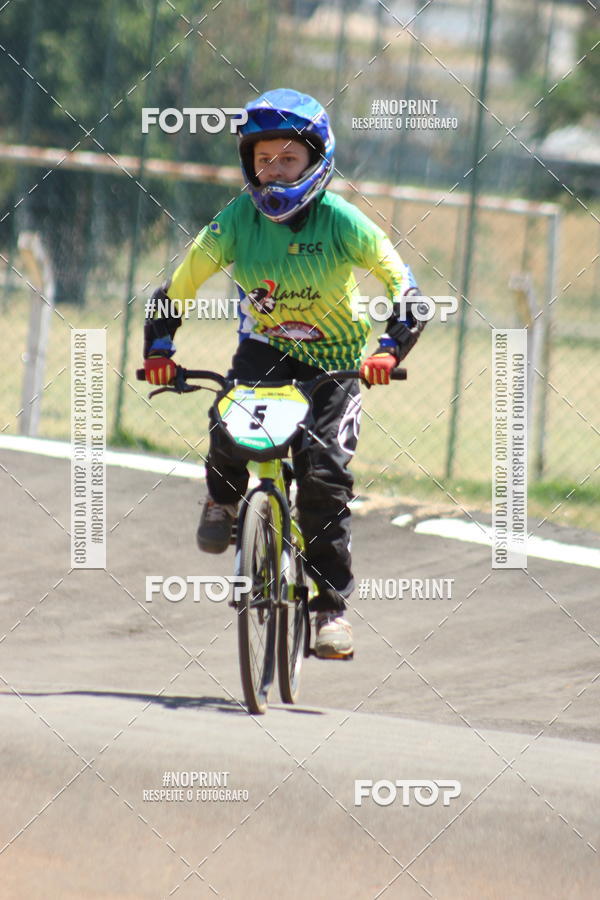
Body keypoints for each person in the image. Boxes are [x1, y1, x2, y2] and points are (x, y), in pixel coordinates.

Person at [143, 88, 425, 659]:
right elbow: (177, 289)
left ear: (317, 160)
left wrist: (390, 351)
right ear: (248, 162)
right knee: (227, 423)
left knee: (322, 483)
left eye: (289, 159)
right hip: (263, 352)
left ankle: (329, 611)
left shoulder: (344, 222)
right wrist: (161, 349)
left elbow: (407, 293)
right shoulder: (234, 222)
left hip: (337, 363)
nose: (274, 171)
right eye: (262, 159)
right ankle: (223, 503)